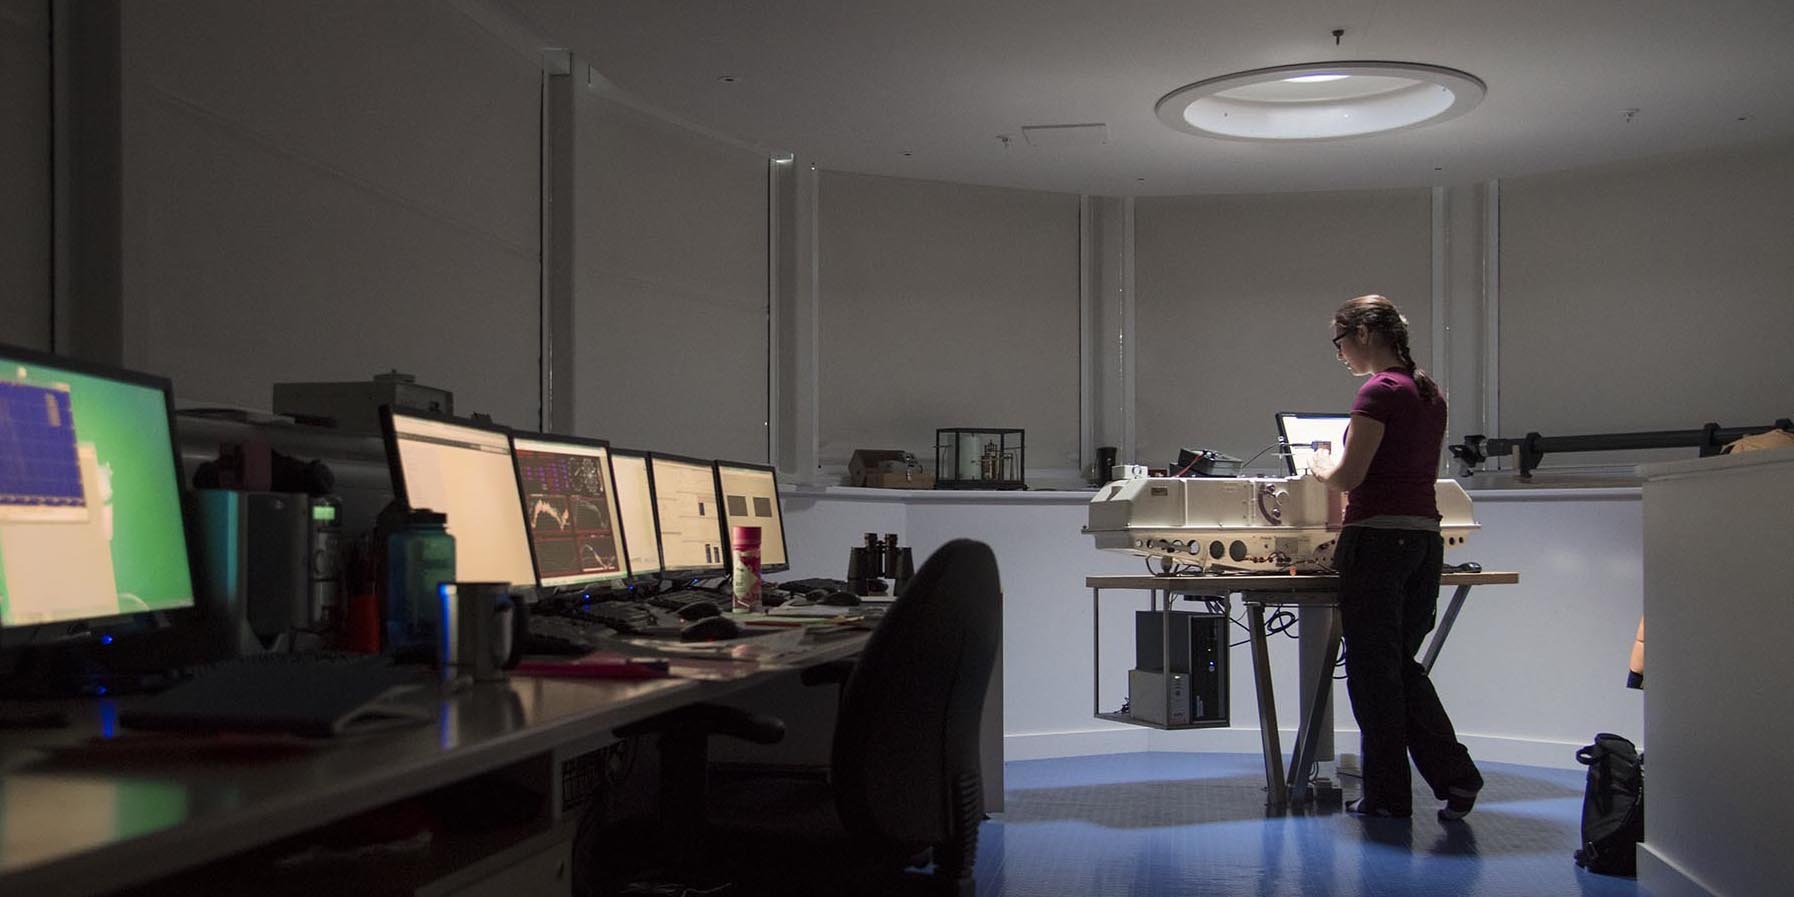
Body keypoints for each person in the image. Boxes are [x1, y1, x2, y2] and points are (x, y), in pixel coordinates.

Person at [1310, 294, 1482, 821]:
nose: (1340, 354)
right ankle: (1456, 777)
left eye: (1340, 343)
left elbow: (1349, 476)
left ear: (1362, 335)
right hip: (1423, 542)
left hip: (1377, 542)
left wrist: (1320, 463)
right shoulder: (1428, 392)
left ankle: (1388, 799)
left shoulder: (1378, 391)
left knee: (1372, 674)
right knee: (1400, 669)